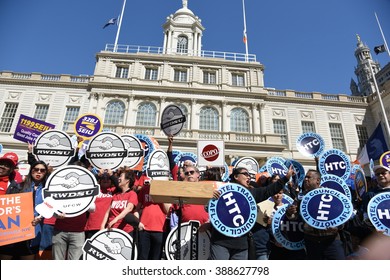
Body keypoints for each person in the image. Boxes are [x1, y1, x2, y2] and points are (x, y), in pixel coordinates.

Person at [209, 165, 294, 260]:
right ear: (236, 177)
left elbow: (269, 190)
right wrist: (211, 197)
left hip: (241, 245)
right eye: (245, 174)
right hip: (221, 242)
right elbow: (208, 208)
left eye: (249, 174)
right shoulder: (222, 191)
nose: (248, 176)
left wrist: (286, 178)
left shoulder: (251, 193)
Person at [286, 169, 346, 260]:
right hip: (311, 242)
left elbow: (341, 215)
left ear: (317, 180)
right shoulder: (300, 197)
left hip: (331, 240)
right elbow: (294, 217)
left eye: (308, 177)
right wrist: (290, 212)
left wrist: (338, 225)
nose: (305, 179)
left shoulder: (329, 194)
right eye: (305, 177)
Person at [135, 179, 171, 260]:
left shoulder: (165, 190)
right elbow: (136, 209)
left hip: (160, 229)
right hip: (144, 228)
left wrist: (160, 192)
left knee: (156, 258)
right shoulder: (145, 189)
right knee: (142, 258)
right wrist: (137, 223)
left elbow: (168, 210)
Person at [0, 152, 27, 259]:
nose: (2, 166)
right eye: (1, 163)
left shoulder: (15, 186)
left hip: (5, 230)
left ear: (12, 170)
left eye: (7, 165)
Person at [101, 170, 138, 235]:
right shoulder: (115, 195)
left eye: (121, 176)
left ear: (127, 180)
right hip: (111, 229)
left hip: (126, 231)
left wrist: (115, 220)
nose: (119, 178)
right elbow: (107, 212)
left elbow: (129, 208)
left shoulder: (132, 194)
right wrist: (102, 226)